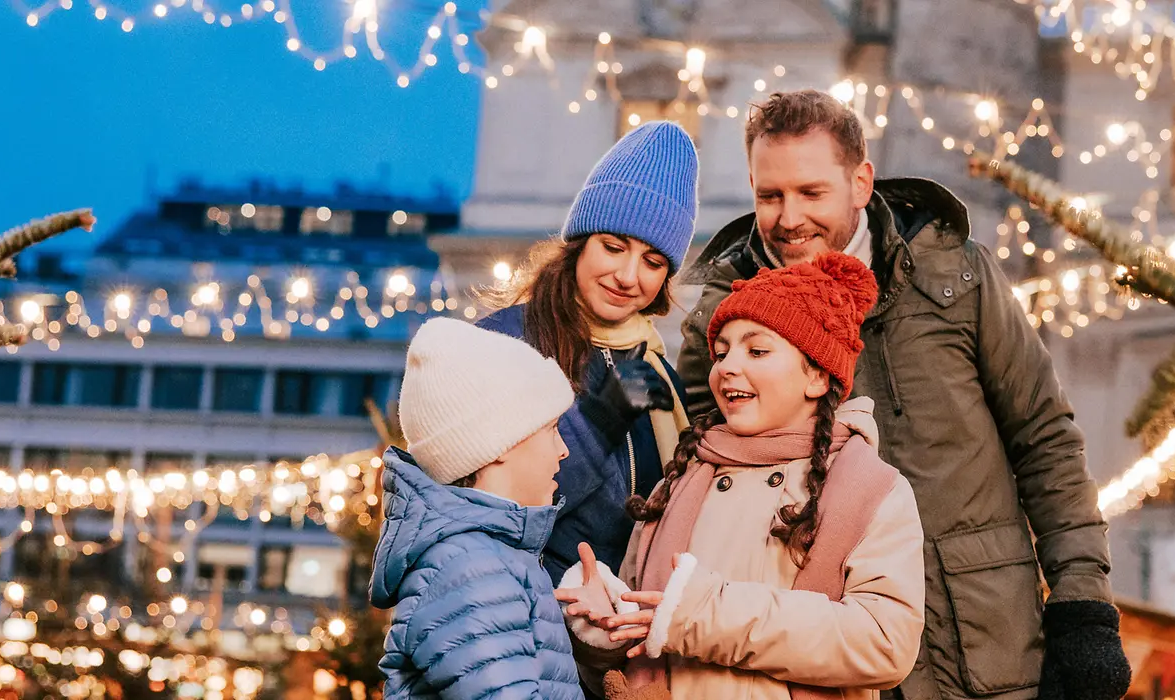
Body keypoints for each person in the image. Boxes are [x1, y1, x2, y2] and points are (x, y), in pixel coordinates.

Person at [676, 90, 1131, 700]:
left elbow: (1043, 438)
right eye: (770, 195)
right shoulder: (722, 321)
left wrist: (1082, 608)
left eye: (812, 193)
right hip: (812, 659)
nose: (789, 219)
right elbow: (706, 482)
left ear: (861, 182)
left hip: (976, 645)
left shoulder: (956, 279)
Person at [559, 253, 925, 700]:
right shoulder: (676, 483)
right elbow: (638, 650)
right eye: (721, 352)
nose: (727, 366)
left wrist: (704, 615)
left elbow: (884, 642)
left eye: (756, 350)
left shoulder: (869, 490)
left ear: (816, 375)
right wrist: (606, 629)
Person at [478, 120, 698, 585]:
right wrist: (599, 421)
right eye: (614, 247)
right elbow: (491, 509)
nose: (628, 275)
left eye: (653, 262)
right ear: (579, 244)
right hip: (532, 617)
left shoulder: (653, 363)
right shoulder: (505, 343)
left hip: (621, 631)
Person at [369, 318, 585, 699]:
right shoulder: (470, 569)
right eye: (551, 428)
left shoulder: (488, 557)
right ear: (500, 445)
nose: (563, 449)